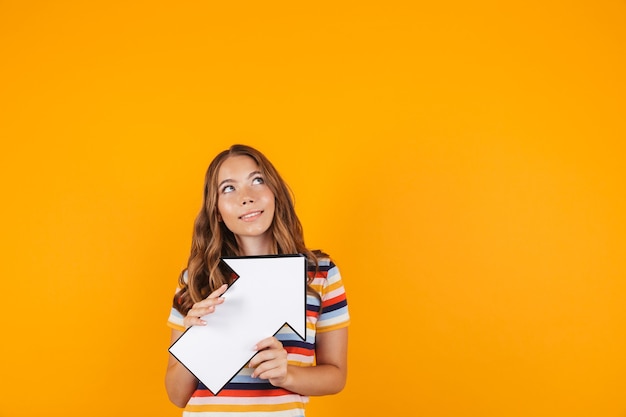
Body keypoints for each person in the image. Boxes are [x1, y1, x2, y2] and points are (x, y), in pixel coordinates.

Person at [165, 144, 350, 416]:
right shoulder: (196, 278)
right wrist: (195, 339)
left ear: (274, 192)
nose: (246, 197)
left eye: (257, 180)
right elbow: (177, 395)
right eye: (229, 188)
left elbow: (336, 376)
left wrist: (286, 375)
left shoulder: (319, 274)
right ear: (216, 210)